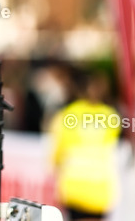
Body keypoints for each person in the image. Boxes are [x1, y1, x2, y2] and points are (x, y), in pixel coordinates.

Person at [49, 69, 119, 220]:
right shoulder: (110, 115)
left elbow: (57, 151)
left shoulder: (69, 113)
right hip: (100, 191)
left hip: (75, 188)